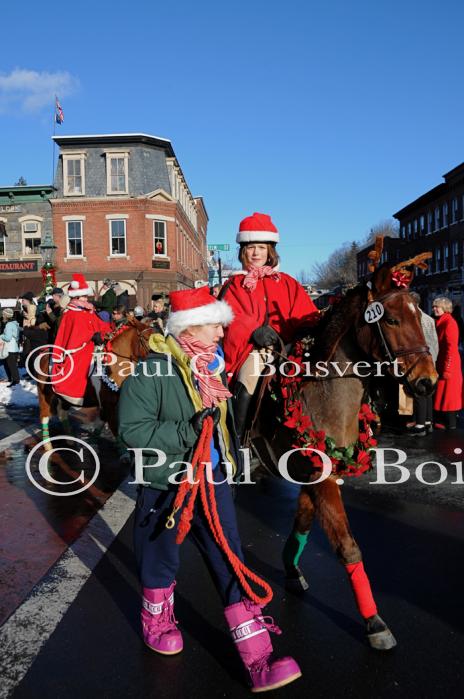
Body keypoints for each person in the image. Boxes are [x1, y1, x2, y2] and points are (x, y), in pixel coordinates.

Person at [118, 286, 301, 693]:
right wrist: (188, 432)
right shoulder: (151, 373)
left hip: (213, 483)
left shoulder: (212, 370)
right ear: (188, 327)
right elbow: (132, 430)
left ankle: (259, 659)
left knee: (230, 561)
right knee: (160, 558)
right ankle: (157, 621)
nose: (222, 332)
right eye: (215, 324)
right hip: (167, 484)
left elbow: (222, 428)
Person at [221, 212, 319, 438]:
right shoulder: (235, 283)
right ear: (243, 251)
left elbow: (307, 314)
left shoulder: (287, 282)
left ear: (270, 251)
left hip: (288, 350)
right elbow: (229, 318)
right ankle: (236, 440)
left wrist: (303, 331)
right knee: (247, 383)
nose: (256, 253)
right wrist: (254, 332)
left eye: (262, 247)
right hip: (253, 351)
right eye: (251, 247)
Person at [51, 274, 110, 406]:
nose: (86, 298)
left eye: (86, 296)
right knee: (84, 366)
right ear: (76, 296)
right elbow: (77, 335)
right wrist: (92, 336)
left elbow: (100, 324)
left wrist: (109, 331)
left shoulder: (88, 311)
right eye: (84, 296)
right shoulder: (71, 313)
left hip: (94, 345)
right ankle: (81, 395)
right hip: (80, 349)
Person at [406, 292, 439, 436]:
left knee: (419, 392)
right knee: (428, 392)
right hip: (431, 358)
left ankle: (420, 427)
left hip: (419, 360)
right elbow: (435, 341)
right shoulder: (429, 319)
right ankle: (428, 422)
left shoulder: (414, 319)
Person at [432, 296, 462, 430]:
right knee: (444, 392)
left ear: (445, 308)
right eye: (433, 306)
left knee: (450, 394)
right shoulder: (442, 321)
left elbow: (451, 347)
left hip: (450, 363)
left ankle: (451, 424)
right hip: (444, 361)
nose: (434, 309)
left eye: (437, 306)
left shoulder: (449, 323)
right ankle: (447, 422)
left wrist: (448, 368)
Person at [0, 308, 20, 387]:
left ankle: (15, 380)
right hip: (14, 347)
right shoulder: (15, 323)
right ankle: (11, 378)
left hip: (10, 348)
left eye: (3, 314)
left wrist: (1, 335)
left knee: (11, 365)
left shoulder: (8, 325)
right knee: (11, 364)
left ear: (6, 315)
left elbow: (7, 337)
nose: (2, 315)